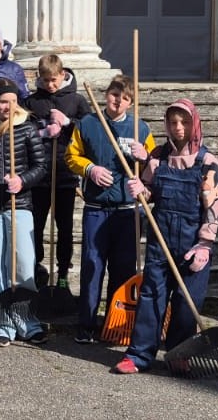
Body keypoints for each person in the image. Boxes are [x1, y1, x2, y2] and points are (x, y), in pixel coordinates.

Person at [114, 99, 218, 374]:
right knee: (151, 296)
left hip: (192, 245)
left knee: (188, 303)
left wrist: (205, 245)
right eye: (173, 122)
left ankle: (178, 354)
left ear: (194, 123)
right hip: (160, 241)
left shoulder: (206, 162)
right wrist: (140, 188)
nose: (178, 128)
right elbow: (150, 193)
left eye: (184, 122)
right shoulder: (158, 156)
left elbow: (214, 206)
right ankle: (138, 355)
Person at [64, 75, 154, 344]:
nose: (118, 101)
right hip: (96, 208)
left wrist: (145, 157)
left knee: (123, 268)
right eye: (115, 95)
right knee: (92, 266)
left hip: (127, 211)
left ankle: (116, 323)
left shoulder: (141, 129)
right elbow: (71, 156)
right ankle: (86, 323)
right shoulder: (88, 124)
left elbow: (152, 170)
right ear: (107, 95)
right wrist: (90, 169)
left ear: (131, 102)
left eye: (125, 98)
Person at [0, 79, 49, 346]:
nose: (7, 107)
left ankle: (26, 320)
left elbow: (41, 166)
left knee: (23, 266)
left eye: (11, 101)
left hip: (21, 207)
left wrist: (22, 180)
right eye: (2, 101)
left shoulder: (28, 129)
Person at [23, 54, 90, 293]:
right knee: (36, 225)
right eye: (45, 80)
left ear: (62, 75)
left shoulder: (77, 100)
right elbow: (22, 127)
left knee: (64, 227)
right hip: (39, 175)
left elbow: (91, 128)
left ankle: (62, 273)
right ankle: (37, 267)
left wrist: (68, 122)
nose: (50, 84)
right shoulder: (32, 101)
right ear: (38, 77)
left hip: (65, 174)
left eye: (54, 79)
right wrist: (42, 130)